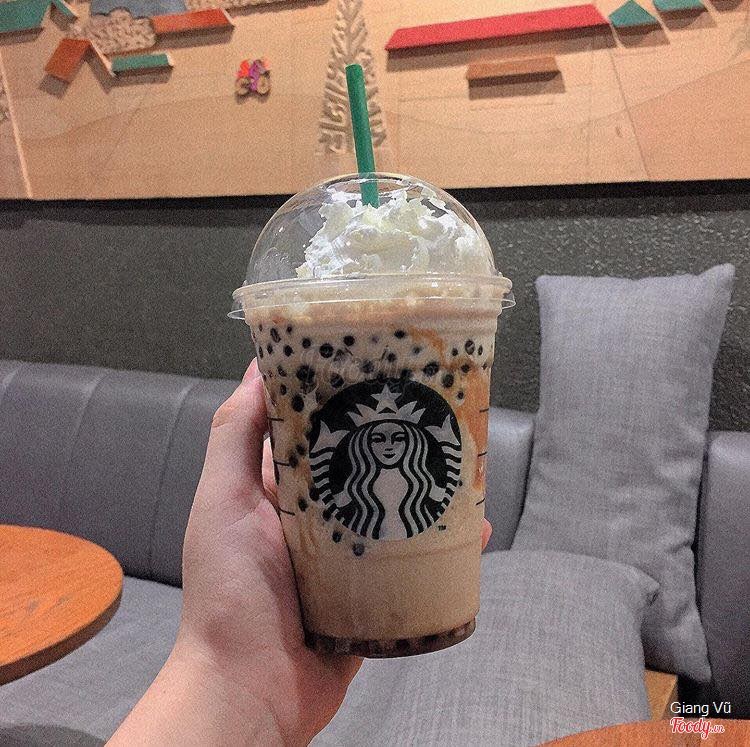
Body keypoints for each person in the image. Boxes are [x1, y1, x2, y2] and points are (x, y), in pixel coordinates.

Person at [109, 361, 492, 746]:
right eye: (378, 438)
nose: (389, 446)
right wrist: (226, 671)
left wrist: (227, 678)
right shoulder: (354, 496)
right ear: (362, 444)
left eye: (399, 437)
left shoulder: (420, 492)